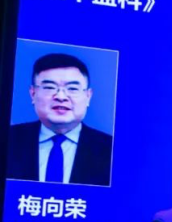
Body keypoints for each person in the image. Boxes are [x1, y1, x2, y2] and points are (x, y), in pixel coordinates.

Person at [6, 53, 113, 186]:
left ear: (88, 96)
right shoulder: (7, 139)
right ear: (33, 94)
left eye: (72, 88)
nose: (61, 97)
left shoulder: (111, 150)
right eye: (49, 87)